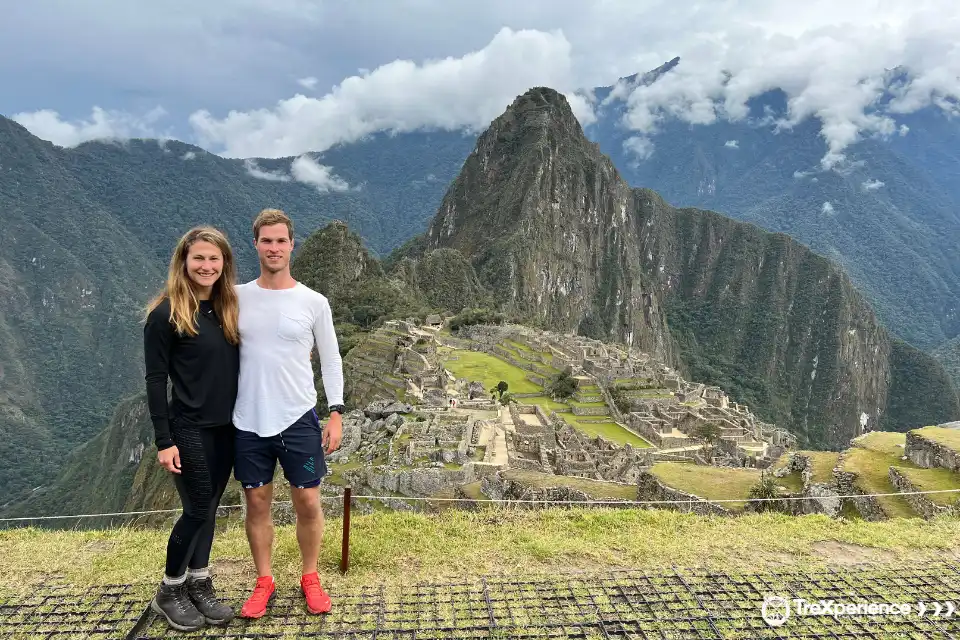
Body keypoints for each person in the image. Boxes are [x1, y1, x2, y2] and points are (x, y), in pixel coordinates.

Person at [231, 208, 345, 619]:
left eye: (281, 240)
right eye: (267, 240)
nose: (274, 248)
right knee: (256, 501)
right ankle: (264, 580)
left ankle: (310, 576)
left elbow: (330, 360)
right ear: (256, 244)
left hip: (298, 416)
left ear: (292, 244)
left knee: (309, 501)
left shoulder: (313, 302)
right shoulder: (237, 296)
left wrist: (335, 411)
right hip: (248, 418)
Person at [142, 226, 241, 631]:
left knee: (212, 505)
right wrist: (164, 441)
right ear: (184, 261)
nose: (206, 266)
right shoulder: (165, 314)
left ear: (224, 263)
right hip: (189, 427)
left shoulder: (226, 308)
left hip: (227, 428)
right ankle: (170, 589)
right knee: (197, 507)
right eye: (198, 258)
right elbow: (154, 380)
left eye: (214, 259)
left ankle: (199, 583)